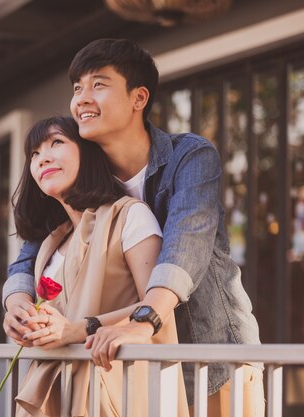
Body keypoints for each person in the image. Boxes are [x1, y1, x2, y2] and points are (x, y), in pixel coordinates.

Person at [3, 39, 265, 417]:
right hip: (134, 366)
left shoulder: (187, 157)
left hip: (213, 356)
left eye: (99, 84)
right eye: (77, 88)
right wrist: (18, 306)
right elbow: (28, 256)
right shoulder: (86, 181)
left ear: (138, 98)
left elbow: (185, 242)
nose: (82, 98)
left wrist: (145, 319)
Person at [10, 116, 188, 417]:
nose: (43, 158)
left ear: (87, 152)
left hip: (117, 393)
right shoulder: (53, 241)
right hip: (60, 394)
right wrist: (26, 322)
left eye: (56, 143)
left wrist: (76, 330)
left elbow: (158, 311)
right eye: (34, 153)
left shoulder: (129, 217)